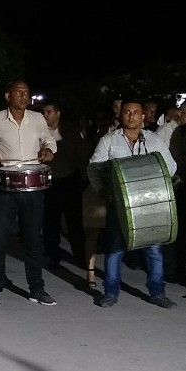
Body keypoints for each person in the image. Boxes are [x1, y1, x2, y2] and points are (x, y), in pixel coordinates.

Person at [87, 100, 178, 309]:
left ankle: (157, 292)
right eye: (127, 112)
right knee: (115, 249)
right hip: (119, 205)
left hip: (150, 205)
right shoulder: (109, 140)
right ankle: (110, 292)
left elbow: (171, 167)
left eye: (136, 112)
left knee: (153, 250)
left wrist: (154, 181)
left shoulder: (153, 141)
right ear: (121, 115)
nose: (131, 116)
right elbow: (93, 168)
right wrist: (102, 189)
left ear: (143, 116)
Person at [0, 80, 57, 307]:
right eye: (19, 93)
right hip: (5, 188)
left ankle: (37, 289)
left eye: (26, 93)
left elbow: (49, 139)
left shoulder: (38, 119)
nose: (24, 96)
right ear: (7, 96)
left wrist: (49, 150)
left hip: (32, 188)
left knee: (32, 239)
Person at [40, 101, 86, 269]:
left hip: (69, 180)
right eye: (44, 112)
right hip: (49, 182)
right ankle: (53, 254)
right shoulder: (40, 132)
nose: (45, 115)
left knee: (74, 221)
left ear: (58, 113)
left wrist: (83, 177)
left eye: (49, 112)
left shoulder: (71, 130)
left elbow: (80, 153)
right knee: (50, 221)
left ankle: (80, 254)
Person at [162, 98, 186, 287]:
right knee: (171, 230)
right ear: (179, 114)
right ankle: (169, 270)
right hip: (171, 185)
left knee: (184, 230)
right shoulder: (166, 132)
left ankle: (181, 269)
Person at [81, 104, 113, 289]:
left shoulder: (115, 137)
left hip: (114, 187)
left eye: (104, 118)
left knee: (112, 232)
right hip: (94, 188)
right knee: (92, 232)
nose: (101, 122)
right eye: (98, 118)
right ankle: (90, 272)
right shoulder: (88, 138)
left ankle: (110, 271)